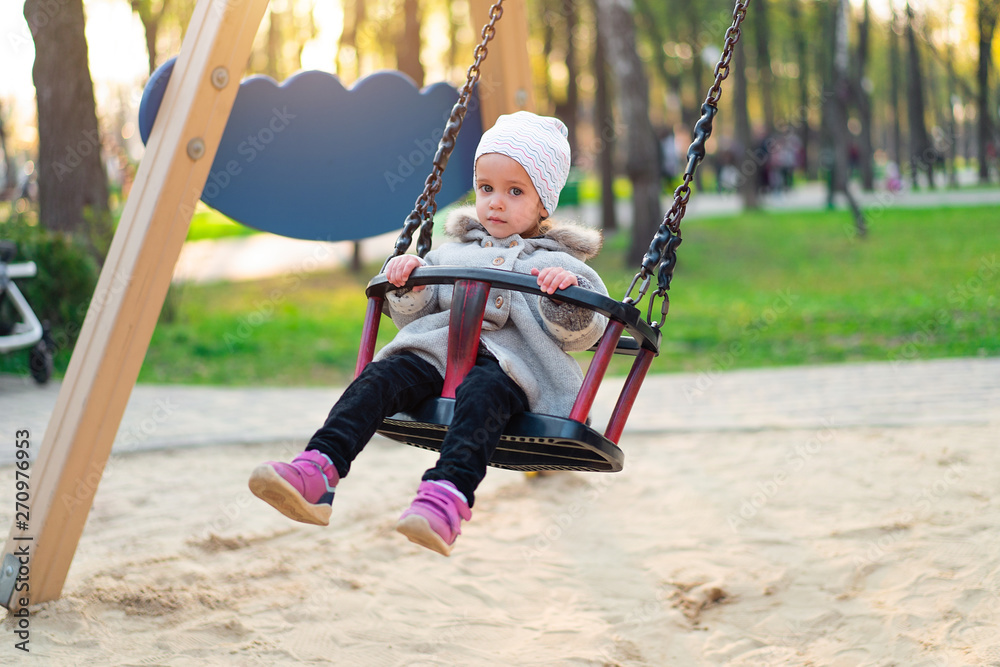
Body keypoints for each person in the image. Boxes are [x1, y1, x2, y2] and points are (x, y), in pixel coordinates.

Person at [249, 111, 609, 556]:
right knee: (383, 375)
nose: (496, 202)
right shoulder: (452, 251)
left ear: (543, 204)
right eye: (486, 188)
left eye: (515, 191)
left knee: (483, 391)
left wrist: (563, 297)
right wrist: (407, 281)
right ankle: (318, 470)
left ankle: (445, 500)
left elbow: (585, 331)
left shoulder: (565, 266)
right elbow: (414, 312)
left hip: (517, 375)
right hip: (437, 358)